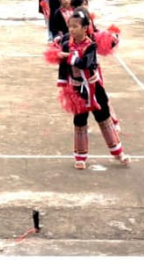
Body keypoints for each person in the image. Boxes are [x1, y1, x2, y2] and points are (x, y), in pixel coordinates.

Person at [53, 10, 130, 170]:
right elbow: (63, 65)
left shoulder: (91, 46)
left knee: (104, 118)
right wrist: (62, 83)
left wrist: (69, 56)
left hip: (94, 87)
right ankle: (80, 157)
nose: (72, 29)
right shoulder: (67, 44)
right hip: (76, 89)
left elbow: (85, 63)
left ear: (85, 28)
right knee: (80, 121)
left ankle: (118, 152)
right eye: (70, 26)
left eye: (75, 26)